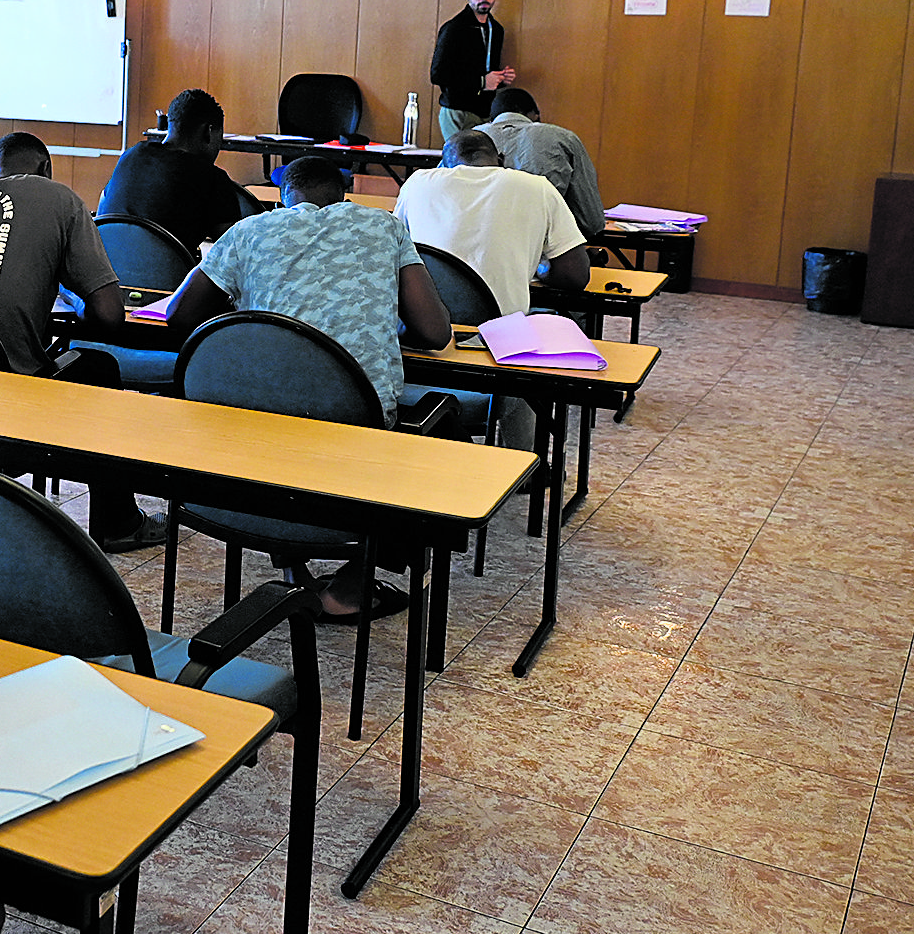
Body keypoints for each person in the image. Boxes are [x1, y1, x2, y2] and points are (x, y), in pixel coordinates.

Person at [162, 154, 452, 622]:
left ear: (282, 199)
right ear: (343, 195)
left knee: (286, 398)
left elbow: (178, 316)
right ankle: (353, 584)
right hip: (358, 427)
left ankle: (294, 565)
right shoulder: (384, 227)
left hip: (258, 431)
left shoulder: (248, 231)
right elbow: (436, 333)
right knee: (445, 434)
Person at [0, 131, 160, 551]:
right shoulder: (60, 200)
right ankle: (118, 523)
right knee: (99, 368)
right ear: (46, 169)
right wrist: (70, 291)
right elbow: (110, 316)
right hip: (0, 409)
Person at [396, 130, 591, 319]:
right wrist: (538, 270)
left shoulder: (417, 183)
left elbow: (393, 254)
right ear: (502, 160)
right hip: (501, 331)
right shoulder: (538, 187)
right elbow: (575, 276)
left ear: (444, 167)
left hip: (425, 325)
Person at [98, 87, 256, 251]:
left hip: (109, 267)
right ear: (208, 132)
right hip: (166, 275)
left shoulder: (130, 156)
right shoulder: (211, 178)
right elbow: (235, 248)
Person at [480, 87, 606, 241]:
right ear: (534, 115)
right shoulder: (563, 138)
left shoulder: (463, 140)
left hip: (470, 252)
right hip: (540, 250)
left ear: (492, 119)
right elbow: (590, 221)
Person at [429, 0, 516, 139]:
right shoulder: (454, 29)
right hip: (457, 111)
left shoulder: (496, 29)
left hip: (485, 112)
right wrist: (482, 81)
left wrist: (501, 79)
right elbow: (437, 75)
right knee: (463, 164)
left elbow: (485, 69)